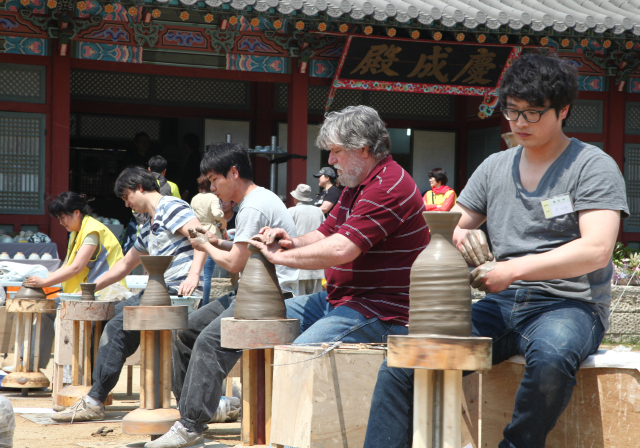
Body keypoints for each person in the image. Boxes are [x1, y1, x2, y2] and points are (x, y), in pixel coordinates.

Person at [363, 53, 629, 448]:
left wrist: (514, 269)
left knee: (552, 359)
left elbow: (596, 249)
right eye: (512, 111)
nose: (520, 122)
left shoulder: (592, 166)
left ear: (564, 110)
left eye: (533, 113)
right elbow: (450, 222)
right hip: (502, 303)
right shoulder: (495, 167)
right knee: (408, 359)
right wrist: (455, 236)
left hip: (570, 305)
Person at [247, 105, 426, 433]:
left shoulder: (388, 185)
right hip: (340, 299)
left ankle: (296, 436)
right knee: (258, 323)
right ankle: (256, 426)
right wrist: (289, 242)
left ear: (363, 149)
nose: (330, 160)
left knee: (300, 354)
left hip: (382, 308)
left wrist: (279, 259)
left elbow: (343, 249)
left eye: (335, 152)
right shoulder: (355, 183)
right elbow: (327, 233)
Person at [145, 142, 299, 448]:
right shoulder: (254, 201)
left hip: (273, 297)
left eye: (215, 180)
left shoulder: (254, 205)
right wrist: (217, 240)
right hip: (250, 292)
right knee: (186, 331)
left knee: (210, 341)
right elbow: (243, 250)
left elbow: (235, 263)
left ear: (234, 172)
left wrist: (204, 246)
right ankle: (194, 411)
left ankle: (190, 424)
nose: (213, 188)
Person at [51, 167, 207, 423]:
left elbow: (200, 237)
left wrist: (194, 275)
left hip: (179, 291)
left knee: (121, 325)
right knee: (116, 319)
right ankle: (95, 398)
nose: (126, 204)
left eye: (126, 197)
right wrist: (90, 288)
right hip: (158, 290)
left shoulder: (172, 207)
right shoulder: (146, 225)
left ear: (140, 187)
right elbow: (125, 265)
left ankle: (97, 400)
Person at [24, 192, 125, 293]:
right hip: (93, 290)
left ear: (77, 213)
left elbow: (76, 267)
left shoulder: (92, 230)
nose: (61, 222)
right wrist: (44, 278)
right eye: (59, 218)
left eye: (62, 217)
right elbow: (66, 266)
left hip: (109, 291)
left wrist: (44, 282)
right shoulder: (75, 232)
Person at [191, 174, 226, 307]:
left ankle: (196, 302)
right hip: (210, 234)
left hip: (196, 234)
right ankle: (204, 304)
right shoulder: (212, 197)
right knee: (207, 275)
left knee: (198, 272)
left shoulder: (194, 198)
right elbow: (217, 214)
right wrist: (221, 219)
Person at [287, 184, 326, 295]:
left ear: (295, 198)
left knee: (298, 303)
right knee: (317, 304)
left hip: (299, 265)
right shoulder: (318, 211)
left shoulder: (291, 211)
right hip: (317, 265)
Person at [180, 133, 202, 203]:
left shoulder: (194, 158)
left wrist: (186, 190)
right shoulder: (196, 156)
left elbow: (192, 176)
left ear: (187, 145)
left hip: (191, 192)